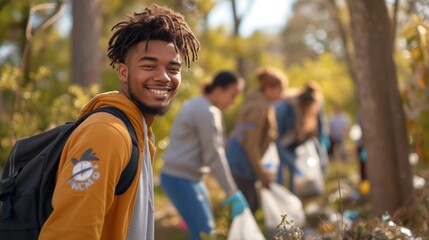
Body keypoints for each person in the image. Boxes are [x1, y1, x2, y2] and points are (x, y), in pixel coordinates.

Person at [39, 5, 200, 239]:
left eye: (173, 69)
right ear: (123, 72)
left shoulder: (140, 134)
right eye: (149, 66)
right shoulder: (107, 133)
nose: (164, 77)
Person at [160, 71, 248, 240]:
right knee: (204, 232)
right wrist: (231, 191)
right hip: (180, 178)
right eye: (232, 95)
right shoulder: (207, 111)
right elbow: (214, 155)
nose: (233, 101)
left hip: (187, 178)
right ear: (220, 90)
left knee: (204, 230)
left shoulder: (197, 104)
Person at [226, 66, 287, 213]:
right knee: (248, 207)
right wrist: (262, 173)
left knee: (251, 205)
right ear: (268, 89)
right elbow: (251, 144)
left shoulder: (264, 104)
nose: (282, 95)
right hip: (240, 163)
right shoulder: (258, 108)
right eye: (280, 90)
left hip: (244, 162)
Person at [274, 82, 329, 194]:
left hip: (292, 144)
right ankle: (282, 198)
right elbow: (278, 130)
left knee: (295, 172)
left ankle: (293, 195)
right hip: (282, 144)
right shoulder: (286, 107)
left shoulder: (309, 106)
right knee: (285, 173)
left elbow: (317, 126)